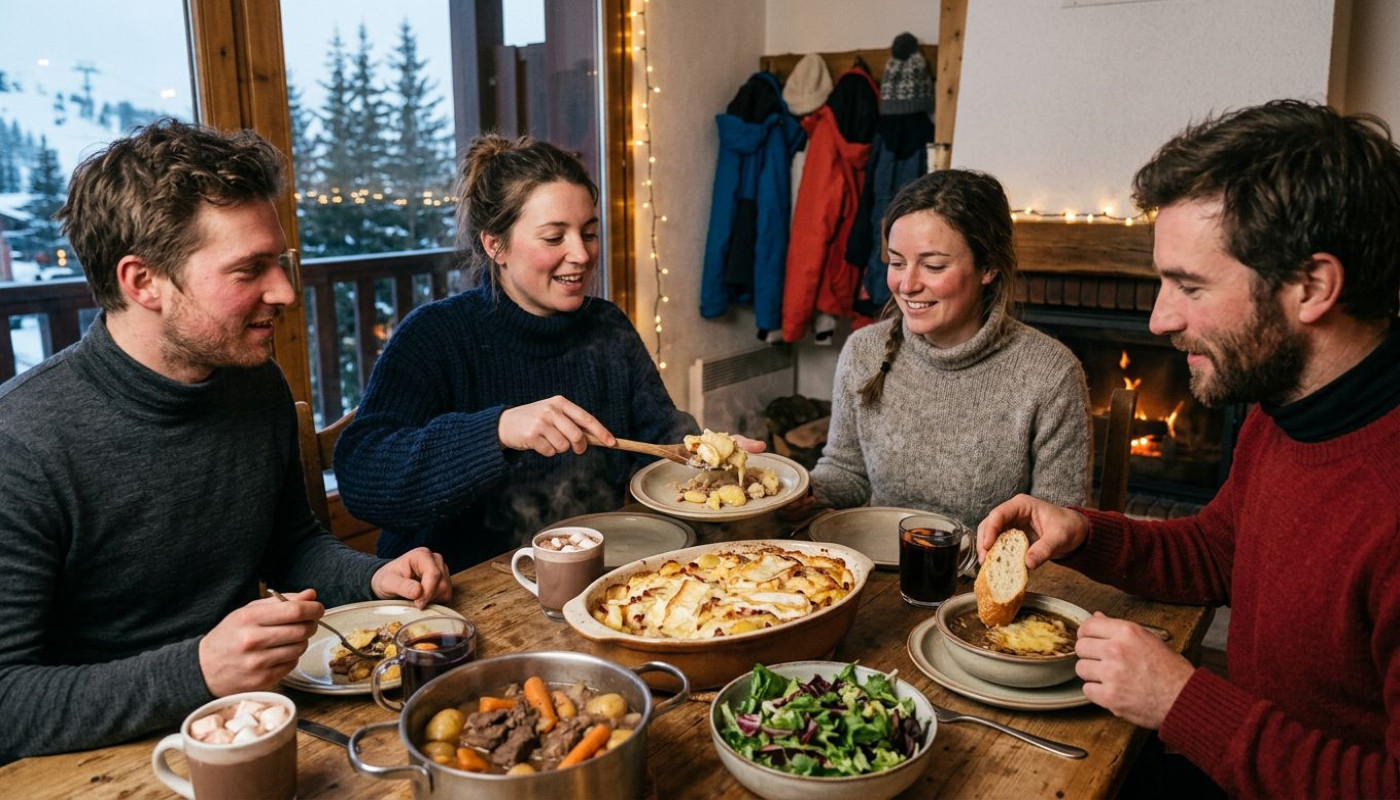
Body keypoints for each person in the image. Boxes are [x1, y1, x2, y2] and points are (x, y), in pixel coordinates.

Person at [978, 100, 1400, 798]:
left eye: (1191, 286)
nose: (1159, 318)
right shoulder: (1285, 411)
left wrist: (1180, 700)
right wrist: (1084, 531)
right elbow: (1218, 554)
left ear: (1313, 286)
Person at [0, 119, 452, 761]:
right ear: (143, 282)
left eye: (282, 262)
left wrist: (377, 579)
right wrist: (199, 670)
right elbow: (6, 703)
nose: (285, 292)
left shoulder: (253, 382)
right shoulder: (21, 443)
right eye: (250, 270)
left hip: (256, 727)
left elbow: (289, 544)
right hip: (97, 765)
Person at [335, 135, 759, 572]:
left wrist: (710, 460)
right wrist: (496, 430)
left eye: (589, 233)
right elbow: (363, 477)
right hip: (462, 591)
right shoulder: (436, 335)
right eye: (555, 237)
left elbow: (660, 437)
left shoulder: (606, 324)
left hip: (597, 570)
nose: (581, 254)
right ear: (494, 245)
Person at [810, 169, 1091, 528]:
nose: (907, 284)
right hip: (878, 569)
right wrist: (780, 488)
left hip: (981, 581)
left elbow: (1057, 526)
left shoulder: (1050, 373)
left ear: (987, 267)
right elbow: (846, 472)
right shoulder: (864, 351)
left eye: (933, 265)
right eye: (897, 263)